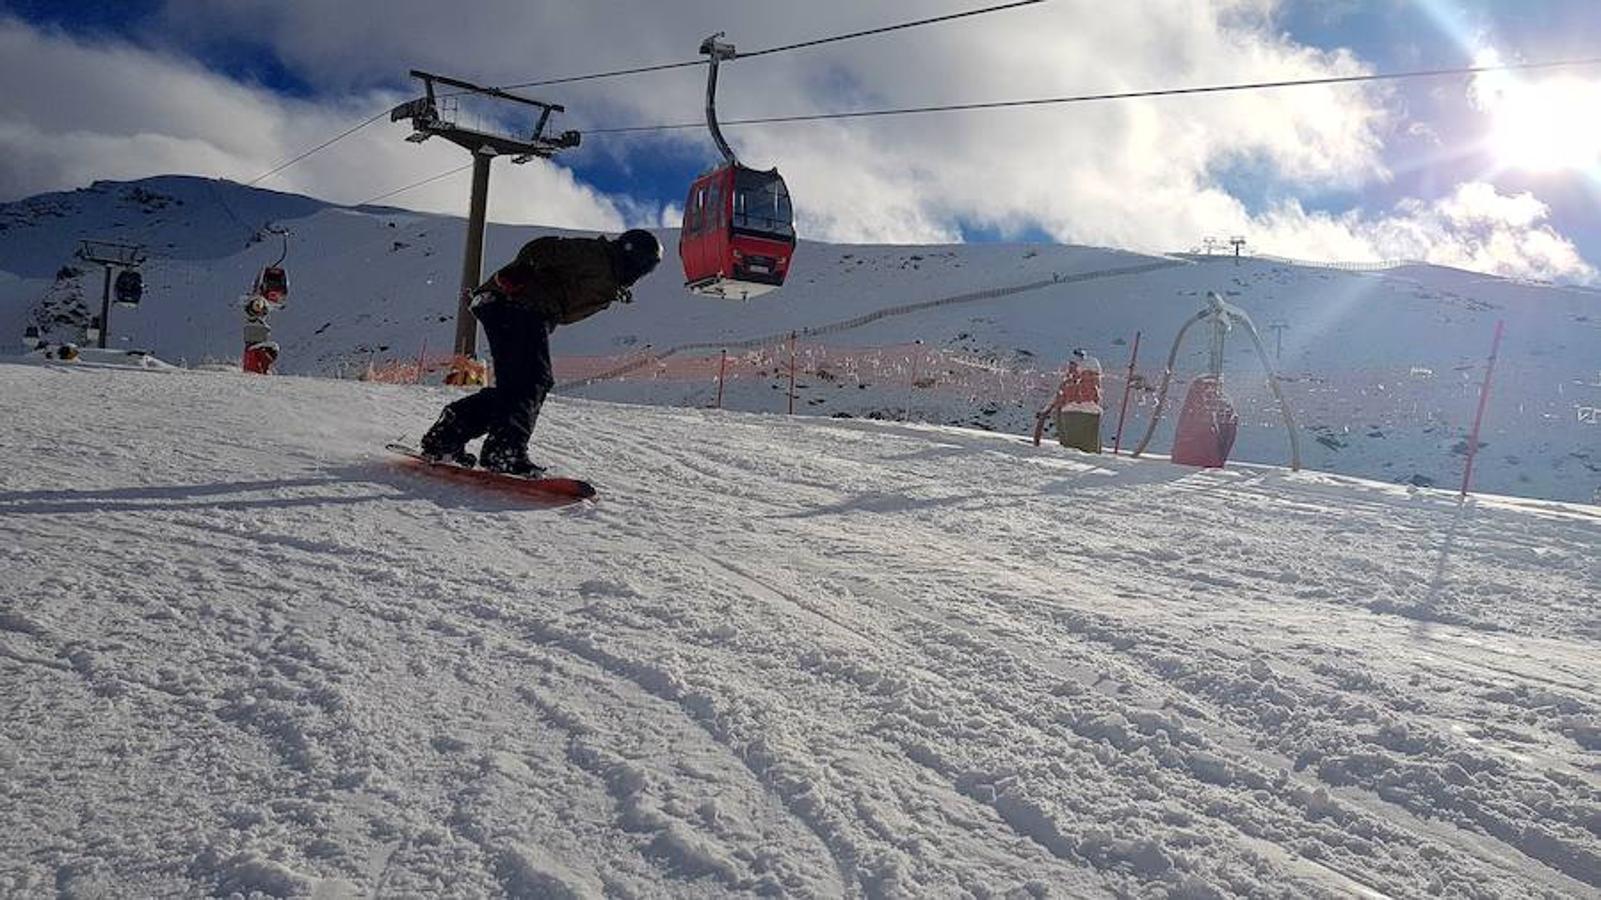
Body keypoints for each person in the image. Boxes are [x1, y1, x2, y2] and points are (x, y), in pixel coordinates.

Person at [419, 229, 662, 474]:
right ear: (632, 254)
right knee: (533, 380)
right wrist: (521, 270)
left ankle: (449, 433)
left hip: (519, 309)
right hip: (514, 304)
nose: (642, 274)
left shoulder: (610, 276)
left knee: (519, 385)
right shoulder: (596, 256)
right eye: (644, 265)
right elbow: (543, 247)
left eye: (649, 269)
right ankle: (504, 451)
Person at [1042, 348, 1103, 453]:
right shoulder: (1071, 381)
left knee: (1079, 446)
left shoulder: (1083, 378)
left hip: (1080, 413)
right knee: (1076, 445)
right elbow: (1061, 395)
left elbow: (1090, 394)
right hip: (1073, 412)